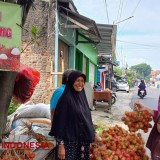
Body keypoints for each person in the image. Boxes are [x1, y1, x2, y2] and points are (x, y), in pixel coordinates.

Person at [49, 70, 101, 160]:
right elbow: (59, 124)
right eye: (77, 80)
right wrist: (61, 145)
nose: (80, 83)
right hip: (68, 144)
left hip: (81, 143)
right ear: (71, 81)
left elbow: (87, 120)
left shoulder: (82, 98)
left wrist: (94, 134)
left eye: (82, 81)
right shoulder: (65, 100)